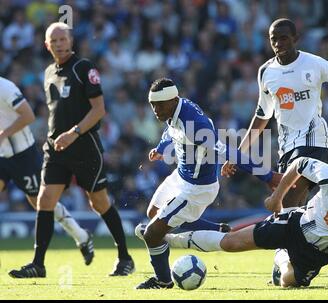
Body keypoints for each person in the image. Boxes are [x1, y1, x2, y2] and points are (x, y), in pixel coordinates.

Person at [165, 155, 328, 289]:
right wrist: (277, 198)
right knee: (231, 243)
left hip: (318, 254)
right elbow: (299, 164)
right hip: (296, 222)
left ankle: (281, 257)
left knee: (286, 282)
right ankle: (167, 238)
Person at [9, 22, 134, 278]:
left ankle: (125, 257)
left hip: (84, 147)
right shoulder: (47, 73)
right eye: (53, 41)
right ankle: (38, 264)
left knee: (99, 203)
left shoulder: (83, 68)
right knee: (44, 201)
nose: (58, 44)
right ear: (46, 45)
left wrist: (74, 133)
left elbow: (99, 109)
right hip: (56, 149)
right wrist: (56, 136)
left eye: (62, 39)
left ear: (71, 41)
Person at [134, 78, 281, 289]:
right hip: (181, 176)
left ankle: (163, 281)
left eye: (160, 104)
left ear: (174, 99)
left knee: (152, 233)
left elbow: (229, 151)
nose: (155, 109)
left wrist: (268, 176)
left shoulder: (194, 125)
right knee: (153, 213)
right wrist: (161, 147)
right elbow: (171, 131)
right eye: (152, 105)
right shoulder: (175, 109)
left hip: (196, 189)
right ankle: (216, 229)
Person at [222, 18, 328, 209]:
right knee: (293, 208)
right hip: (286, 146)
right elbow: (262, 115)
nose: (278, 44)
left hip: (312, 138)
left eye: (283, 38)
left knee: (286, 201)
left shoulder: (313, 63)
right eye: (273, 39)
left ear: (295, 38)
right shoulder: (266, 72)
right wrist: (238, 153)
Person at [0, 76, 94, 270]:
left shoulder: (5, 87)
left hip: (23, 155)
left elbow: (28, 116)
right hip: (2, 156)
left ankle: (80, 235)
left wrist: (2, 134)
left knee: (41, 203)